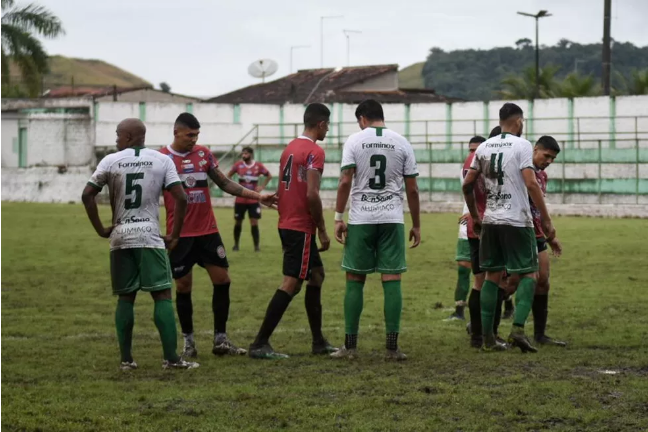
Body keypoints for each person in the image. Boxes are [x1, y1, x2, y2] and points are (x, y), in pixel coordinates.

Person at [81, 118, 198, 370]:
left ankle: (126, 360)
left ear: (130, 137)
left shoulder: (110, 161)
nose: (116, 139)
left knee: (126, 297)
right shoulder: (162, 160)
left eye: (118, 135)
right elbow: (181, 198)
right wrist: (175, 235)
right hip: (149, 236)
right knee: (162, 295)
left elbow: (87, 195)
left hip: (121, 236)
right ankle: (172, 359)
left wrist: (102, 229)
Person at [160, 113, 277, 359]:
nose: (194, 140)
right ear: (176, 132)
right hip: (180, 235)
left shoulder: (203, 154)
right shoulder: (162, 158)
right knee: (183, 286)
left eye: (197, 135)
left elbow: (224, 183)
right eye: (190, 135)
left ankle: (220, 340)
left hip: (208, 232)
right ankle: (189, 343)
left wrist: (258, 196)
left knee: (223, 280)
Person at [330, 99, 421, 361]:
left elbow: (345, 181)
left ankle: (350, 346)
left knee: (355, 279)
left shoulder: (355, 141)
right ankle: (392, 348)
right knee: (391, 279)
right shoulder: (402, 142)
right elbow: (412, 189)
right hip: (392, 218)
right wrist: (416, 223)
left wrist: (338, 217)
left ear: (362, 118)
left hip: (361, 219)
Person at [463, 103, 555, 353]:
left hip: (491, 220)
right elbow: (531, 183)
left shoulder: (483, 147)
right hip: (516, 220)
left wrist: (475, 216)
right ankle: (517, 330)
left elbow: (467, 184)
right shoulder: (522, 145)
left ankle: (489, 339)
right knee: (529, 275)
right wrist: (546, 221)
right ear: (518, 122)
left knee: (491, 278)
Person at [248, 103, 336, 359]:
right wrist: (321, 228)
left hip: (287, 220)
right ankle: (259, 344)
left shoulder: (290, 148)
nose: (327, 129)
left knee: (316, 275)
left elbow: (289, 185)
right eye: (327, 125)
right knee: (292, 282)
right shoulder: (314, 151)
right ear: (321, 124)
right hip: (299, 225)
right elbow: (311, 193)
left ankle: (319, 342)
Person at [508, 135, 566, 347]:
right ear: (535, 150)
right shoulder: (520, 170)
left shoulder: (542, 176)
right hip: (517, 230)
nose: (549, 161)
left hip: (536, 232)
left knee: (543, 280)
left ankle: (539, 335)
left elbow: (537, 209)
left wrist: (550, 238)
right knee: (511, 283)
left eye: (552, 158)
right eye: (546, 155)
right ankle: (485, 328)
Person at [446, 136, 485, 322]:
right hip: (467, 221)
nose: (472, 153)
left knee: (491, 271)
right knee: (463, 267)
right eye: (470, 150)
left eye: (476, 150)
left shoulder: (488, 166)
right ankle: (459, 310)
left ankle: (506, 304)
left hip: (487, 222)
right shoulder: (465, 168)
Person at [227, 147, 272, 252]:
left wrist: (261, 187)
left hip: (253, 199)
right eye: (243, 153)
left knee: (254, 222)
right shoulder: (238, 165)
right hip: (240, 200)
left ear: (251, 154)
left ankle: (256, 246)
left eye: (246, 153)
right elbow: (228, 176)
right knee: (238, 222)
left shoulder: (258, 166)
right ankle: (236, 245)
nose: (243, 155)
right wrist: (234, 188)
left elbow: (269, 176)